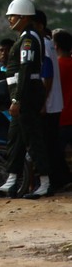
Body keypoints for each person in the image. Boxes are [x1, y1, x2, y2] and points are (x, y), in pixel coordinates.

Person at [0, 0, 51, 199]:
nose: (9, 20)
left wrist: (17, 100)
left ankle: (44, 183)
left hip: (26, 95)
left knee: (32, 139)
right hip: (22, 95)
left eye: (13, 17)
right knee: (15, 140)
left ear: (24, 17)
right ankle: (11, 181)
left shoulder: (28, 39)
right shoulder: (25, 37)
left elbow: (26, 70)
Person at [33, 10, 67, 193]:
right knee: (52, 143)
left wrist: (43, 102)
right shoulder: (47, 43)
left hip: (49, 103)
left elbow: (47, 75)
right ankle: (62, 178)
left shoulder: (42, 44)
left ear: (39, 25)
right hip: (53, 102)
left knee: (48, 144)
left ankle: (55, 180)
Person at [55, 29, 72, 190]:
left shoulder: (56, 67)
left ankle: (64, 180)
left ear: (56, 45)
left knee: (56, 154)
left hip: (61, 118)